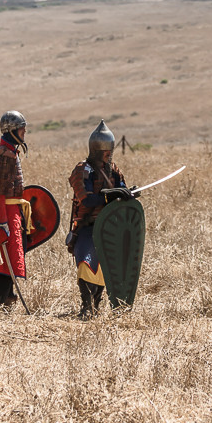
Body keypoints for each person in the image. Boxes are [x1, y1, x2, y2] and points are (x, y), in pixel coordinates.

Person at [67, 120, 133, 318]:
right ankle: (86, 306)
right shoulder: (82, 170)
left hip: (109, 228)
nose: (108, 153)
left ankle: (96, 304)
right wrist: (107, 196)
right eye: (105, 150)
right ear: (96, 149)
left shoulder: (114, 170)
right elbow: (85, 200)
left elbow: (121, 191)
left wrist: (127, 194)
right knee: (86, 264)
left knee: (106, 267)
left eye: (110, 150)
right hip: (87, 227)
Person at [0, 111, 29, 308]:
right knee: (2, 260)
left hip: (11, 213)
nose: (24, 132)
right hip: (5, 213)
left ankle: (7, 297)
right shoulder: (3, 155)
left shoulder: (10, 153)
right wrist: (2, 223)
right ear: (11, 131)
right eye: (21, 129)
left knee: (7, 257)